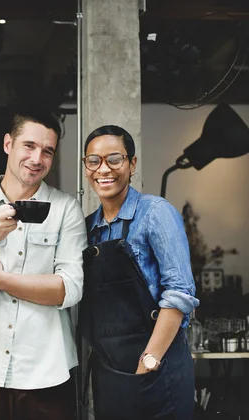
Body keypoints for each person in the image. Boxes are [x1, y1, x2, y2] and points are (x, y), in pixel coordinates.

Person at [0, 112, 87, 420]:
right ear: (8, 144)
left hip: (47, 368)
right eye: (29, 146)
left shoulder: (66, 209)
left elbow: (69, 289)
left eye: (47, 151)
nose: (37, 158)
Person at [79, 125, 198, 420]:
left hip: (158, 368)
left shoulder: (155, 212)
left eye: (114, 159)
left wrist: (149, 360)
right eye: (93, 161)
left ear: (132, 164)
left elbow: (180, 294)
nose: (103, 169)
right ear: (86, 167)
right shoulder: (86, 228)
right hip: (109, 374)